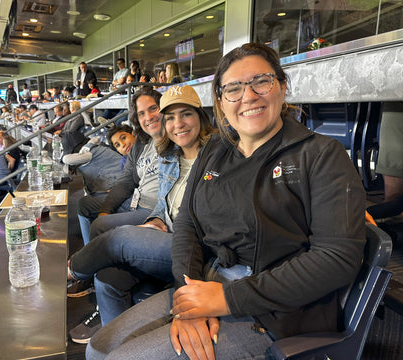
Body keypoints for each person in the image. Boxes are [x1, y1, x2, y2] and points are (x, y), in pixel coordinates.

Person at [86, 43, 366, 360]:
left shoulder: (320, 154)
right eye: (233, 88)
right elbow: (188, 224)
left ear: (282, 86)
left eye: (261, 81)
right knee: (98, 349)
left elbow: (337, 258)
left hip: (276, 313)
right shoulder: (216, 148)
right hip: (205, 283)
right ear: (220, 101)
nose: (248, 96)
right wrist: (188, 296)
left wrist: (227, 299)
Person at [67, 85, 217, 343]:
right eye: (171, 117)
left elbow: (197, 219)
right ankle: (112, 344)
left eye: (186, 115)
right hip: (163, 229)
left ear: (201, 117)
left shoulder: (214, 156)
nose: (177, 124)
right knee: (107, 276)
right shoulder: (172, 156)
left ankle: (72, 271)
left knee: (118, 238)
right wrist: (155, 221)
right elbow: (160, 201)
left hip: (190, 246)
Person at [77, 87, 163, 245]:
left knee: (100, 226)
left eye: (153, 109)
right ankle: (87, 253)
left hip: (152, 209)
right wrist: (105, 210)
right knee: (84, 204)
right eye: (141, 113)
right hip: (135, 201)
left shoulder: (174, 138)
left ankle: (86, 265)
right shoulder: (141, 145)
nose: (149, 117)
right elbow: (125, 182)